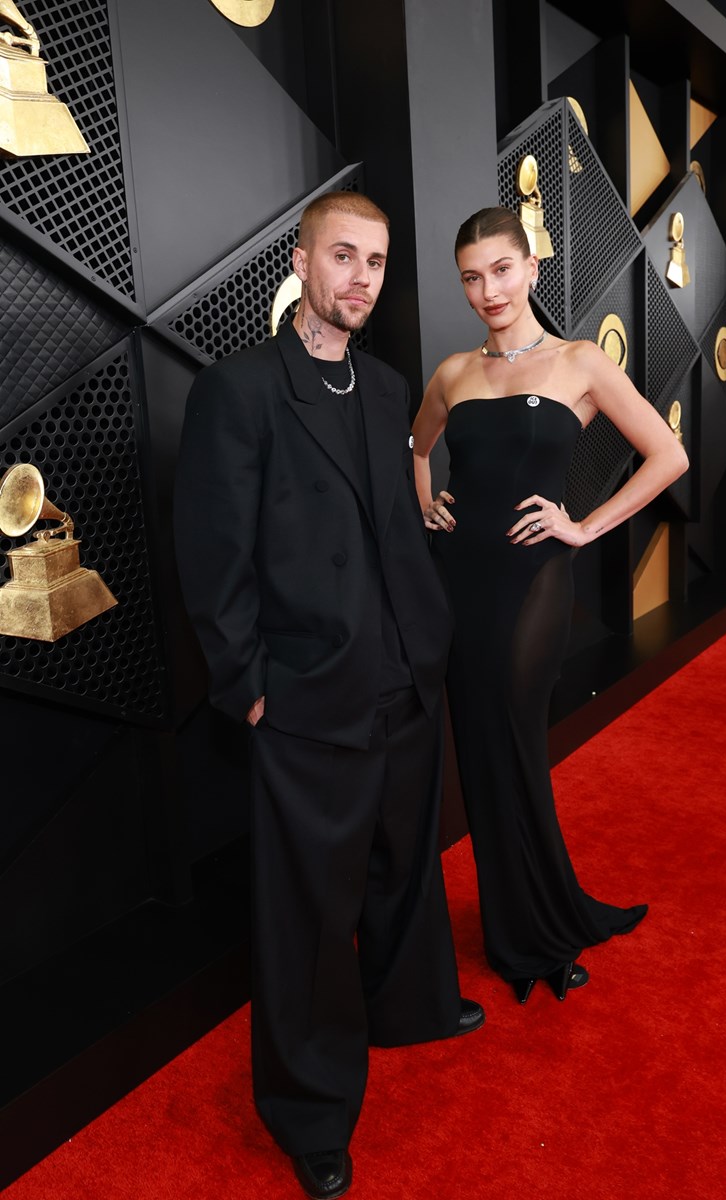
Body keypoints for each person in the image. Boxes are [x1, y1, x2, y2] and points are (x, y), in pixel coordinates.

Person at [173, 192, 484, 1200]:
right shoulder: (240, 391)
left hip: (404, 676)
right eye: (341, 257)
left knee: (403, 866)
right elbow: (211, 554)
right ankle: (309, 1112)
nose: (360, 278)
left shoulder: (390, 386)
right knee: (310, 913)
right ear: (299, 262)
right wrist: (248, 688)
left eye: (377, 262)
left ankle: (408, 1007)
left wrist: (427, 637)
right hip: (305, 695)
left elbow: (393, 523)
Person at [411, 205, 688, 1007]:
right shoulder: (454, 374)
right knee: (480, 751)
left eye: (502, 269)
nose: (488, 289)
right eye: (472, 276)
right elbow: (417, 449)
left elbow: (667, 454)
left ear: (533, 267)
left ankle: (542, 926)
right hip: (459, 581)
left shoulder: (580, 364)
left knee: (517, 743)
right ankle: (514, 926)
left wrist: (583, 526)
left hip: (533, 582)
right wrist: (428, 504)